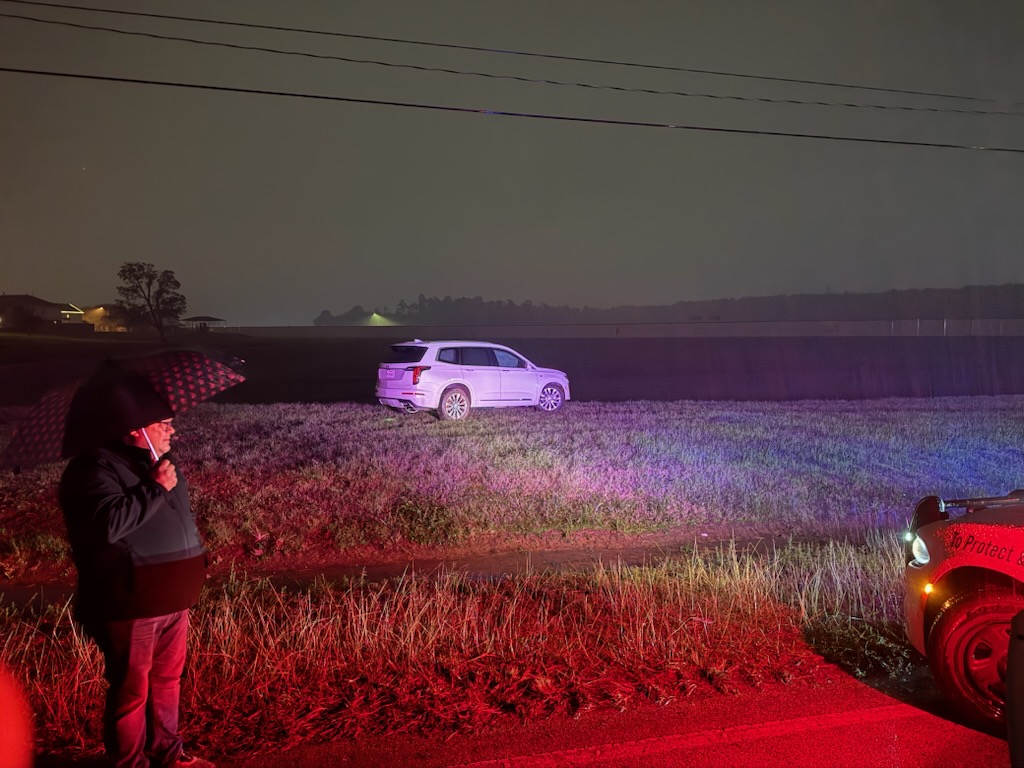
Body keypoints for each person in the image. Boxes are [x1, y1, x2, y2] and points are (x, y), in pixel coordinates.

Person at [59, 416, 214, 768]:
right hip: (133, 599)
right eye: (163, 424)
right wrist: (154, 488)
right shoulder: (93, 467)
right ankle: (129, 763)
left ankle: (168, 755)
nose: (172, 430)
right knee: (131, 691)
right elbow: (106, 526)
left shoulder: (159, 465)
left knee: (167, 682)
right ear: (133, 428)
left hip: (173, 596)